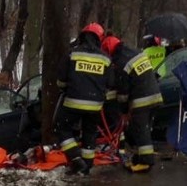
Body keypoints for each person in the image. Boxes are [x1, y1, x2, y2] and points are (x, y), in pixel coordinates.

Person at [55, 22, 112, 175]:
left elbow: (61, 79)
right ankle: (87, 166)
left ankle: (75, 159)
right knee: (89, 133)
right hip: (95, 105)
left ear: (83, 37)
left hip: (73, 102)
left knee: (62, 128)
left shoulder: (72, 54)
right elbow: (110, 82)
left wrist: (65, 87)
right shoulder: (106, 59)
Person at [102, 34, 164, 173]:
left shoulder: (120, 62)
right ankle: (142, 156)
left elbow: (123, 93)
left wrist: (123, 112)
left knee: (140, 129)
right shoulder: (134, 52)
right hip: (155, 94)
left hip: (142, 99)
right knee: (144, 129)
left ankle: (145, 163)